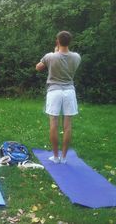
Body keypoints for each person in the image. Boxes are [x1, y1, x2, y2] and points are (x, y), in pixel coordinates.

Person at [36, 31, 81, 164]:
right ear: (70, 41)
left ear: (57, 41)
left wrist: (54, 52)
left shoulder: (50, 56)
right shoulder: (77, 57)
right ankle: (64, 157)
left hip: (54, 91)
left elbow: (38, 67)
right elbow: (67, 61)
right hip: (69, 91)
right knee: (67, 126)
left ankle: (55, 157)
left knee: (54, 124)